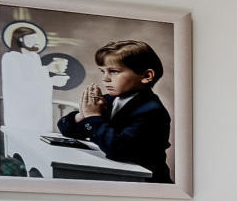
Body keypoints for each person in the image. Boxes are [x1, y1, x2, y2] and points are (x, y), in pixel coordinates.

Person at [55, 38, 173, 184]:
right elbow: (65, 128)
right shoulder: (108, 100)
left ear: (146, 76)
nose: (105, 79)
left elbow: (118, 149)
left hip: (146, 183)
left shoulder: (152, 111)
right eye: (103, 71)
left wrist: (92, 116)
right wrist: (82, 115)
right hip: (117, 175)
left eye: (114, 71)